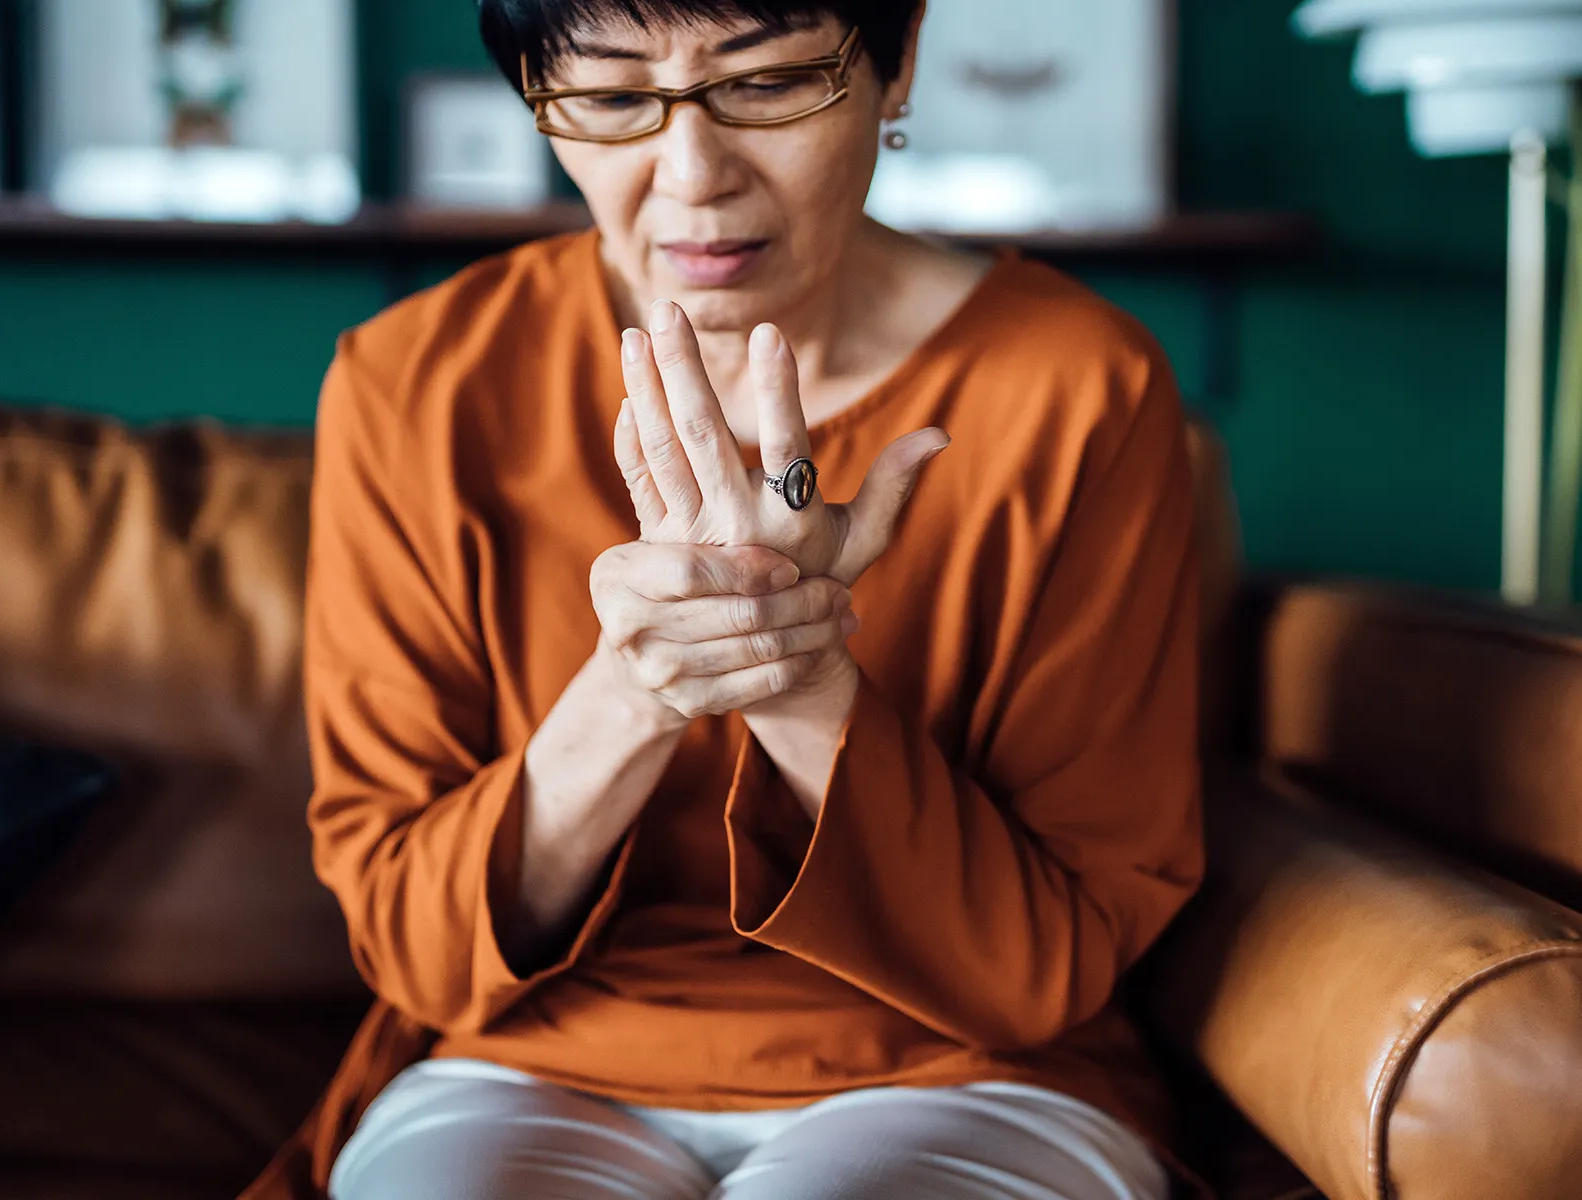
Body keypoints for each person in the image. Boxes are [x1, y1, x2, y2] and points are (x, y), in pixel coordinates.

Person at [242, 1, 1204, 1197]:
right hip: (529, 1061)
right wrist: (644, 681)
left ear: (894, 68)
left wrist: (801, 672)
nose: (692, 176)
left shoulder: (1078, 386)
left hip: (970, 1067)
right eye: (609, 98)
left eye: (768, 85)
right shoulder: (414, 385)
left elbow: (1043, 969)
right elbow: (415, 946)